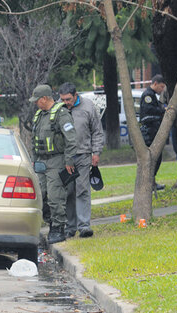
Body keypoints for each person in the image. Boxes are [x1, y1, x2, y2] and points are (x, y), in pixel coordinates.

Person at [30, 84, 78, 244]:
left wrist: (69, 161)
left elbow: (71, 139)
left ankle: (58, 228)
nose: (35, 103)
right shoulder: (39, 115)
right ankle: (51, 221)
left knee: (55, 196)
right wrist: (33, 158)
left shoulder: (61, 114)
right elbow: (34, 139)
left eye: (37, 100)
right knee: (41, 195)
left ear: (44, 98)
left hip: (57, 161)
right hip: (41, 162)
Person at [58, 82, 104, 239]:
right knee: (69, 192)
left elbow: (97, 131)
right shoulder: (58, 108)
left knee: (82, 190)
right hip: (65, 158)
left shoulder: (88, 106)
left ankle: (84, 226)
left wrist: (96, 152)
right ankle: (70, 227)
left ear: (75, 95)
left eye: (68, 99)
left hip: (83, 154)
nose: (66, 103)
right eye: (63, 99)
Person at [139, 74, 167, 190]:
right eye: (161, 87)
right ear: (155, 83)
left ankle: (152, 182)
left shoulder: (152, 95)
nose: (162, 90)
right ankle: (150, 182)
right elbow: (148, 110)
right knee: (155, 157)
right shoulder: (148, 95)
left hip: (153, 129)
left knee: (157, 157)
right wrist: (162, 110)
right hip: (150, 131)